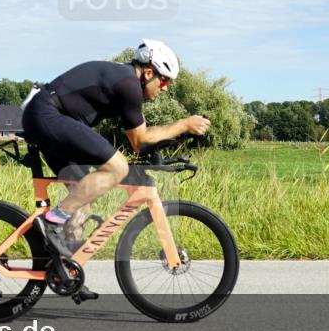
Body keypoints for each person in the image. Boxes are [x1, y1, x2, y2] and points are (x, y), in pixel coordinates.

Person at [21, 39, 211, 260]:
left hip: (48, 117)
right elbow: (139, 140)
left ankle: (64, 267)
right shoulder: (129, 85)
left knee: (82, 200)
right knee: (117, 167)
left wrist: (176, 135)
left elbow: (143, 139)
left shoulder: (126, 81)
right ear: (149, 73)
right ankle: (51, 222)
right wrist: (183, 124)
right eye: (164, 80)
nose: (166, 88)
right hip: (47, 115)